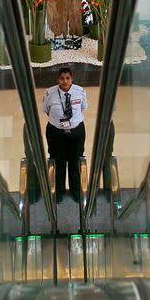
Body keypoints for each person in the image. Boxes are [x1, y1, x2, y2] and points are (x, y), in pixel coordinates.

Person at [42, 66, 87, 202]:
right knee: (59, 163)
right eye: (62, 78)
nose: (65, 81)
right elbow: (46, 109)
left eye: (68, 78)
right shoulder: (49, 93)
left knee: (75, 162)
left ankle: (75, 191)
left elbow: (83, 107)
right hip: (56, 133)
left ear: (72, 79)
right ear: (58, 79)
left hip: (76, 132)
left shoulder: (80, 91)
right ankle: (59, 192)